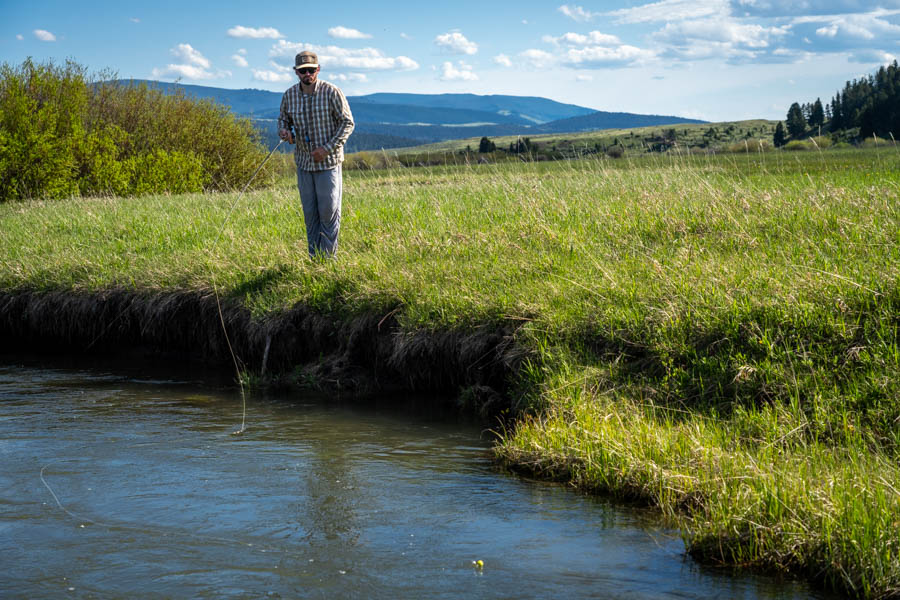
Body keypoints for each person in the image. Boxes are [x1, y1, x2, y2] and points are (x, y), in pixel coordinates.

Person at [278, 51, 354, 258]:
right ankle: (315, 260)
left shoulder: (332, 92)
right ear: (296, 72)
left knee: (328, 213)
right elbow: (283, 120)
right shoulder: (289, 95)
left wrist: (327, 148)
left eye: (311, 70)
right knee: (310, 215)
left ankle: (328, 261)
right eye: (303, 71)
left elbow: (348, 123)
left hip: (328, 163)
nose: (307, 74)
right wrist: (285, 132)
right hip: (303, 163)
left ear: (318, 70)